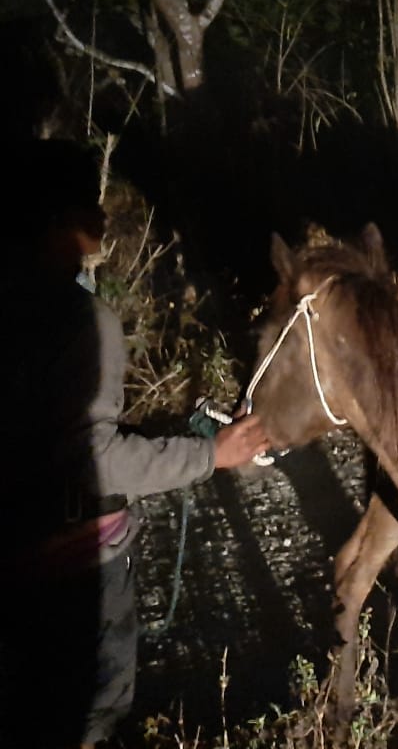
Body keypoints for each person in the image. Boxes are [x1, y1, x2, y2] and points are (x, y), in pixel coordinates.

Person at [0, 138, 270, 749]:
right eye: (87, 208)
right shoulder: (80, 319)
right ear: (59, 220)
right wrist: (211, 454)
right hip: (77, 568)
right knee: (89, 714)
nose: (101, 221)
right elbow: (94, 457)